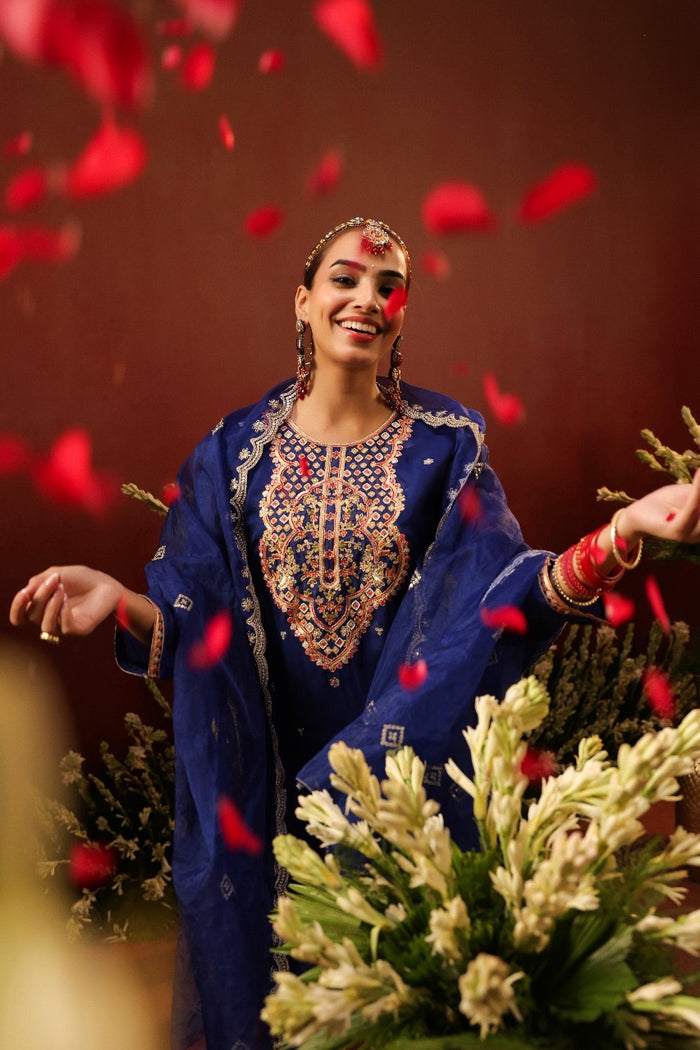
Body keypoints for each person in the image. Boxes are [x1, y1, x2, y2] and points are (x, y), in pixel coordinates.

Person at [9, 217, 700, 1050]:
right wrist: (121, 600)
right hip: (262, 803)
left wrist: (621, 535)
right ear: (302, 301)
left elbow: (502, 601)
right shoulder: (232, 458)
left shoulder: (447, 448)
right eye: (346, 278)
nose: (368, 297)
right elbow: (197, 619)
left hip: (400, 791)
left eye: (389, 286)